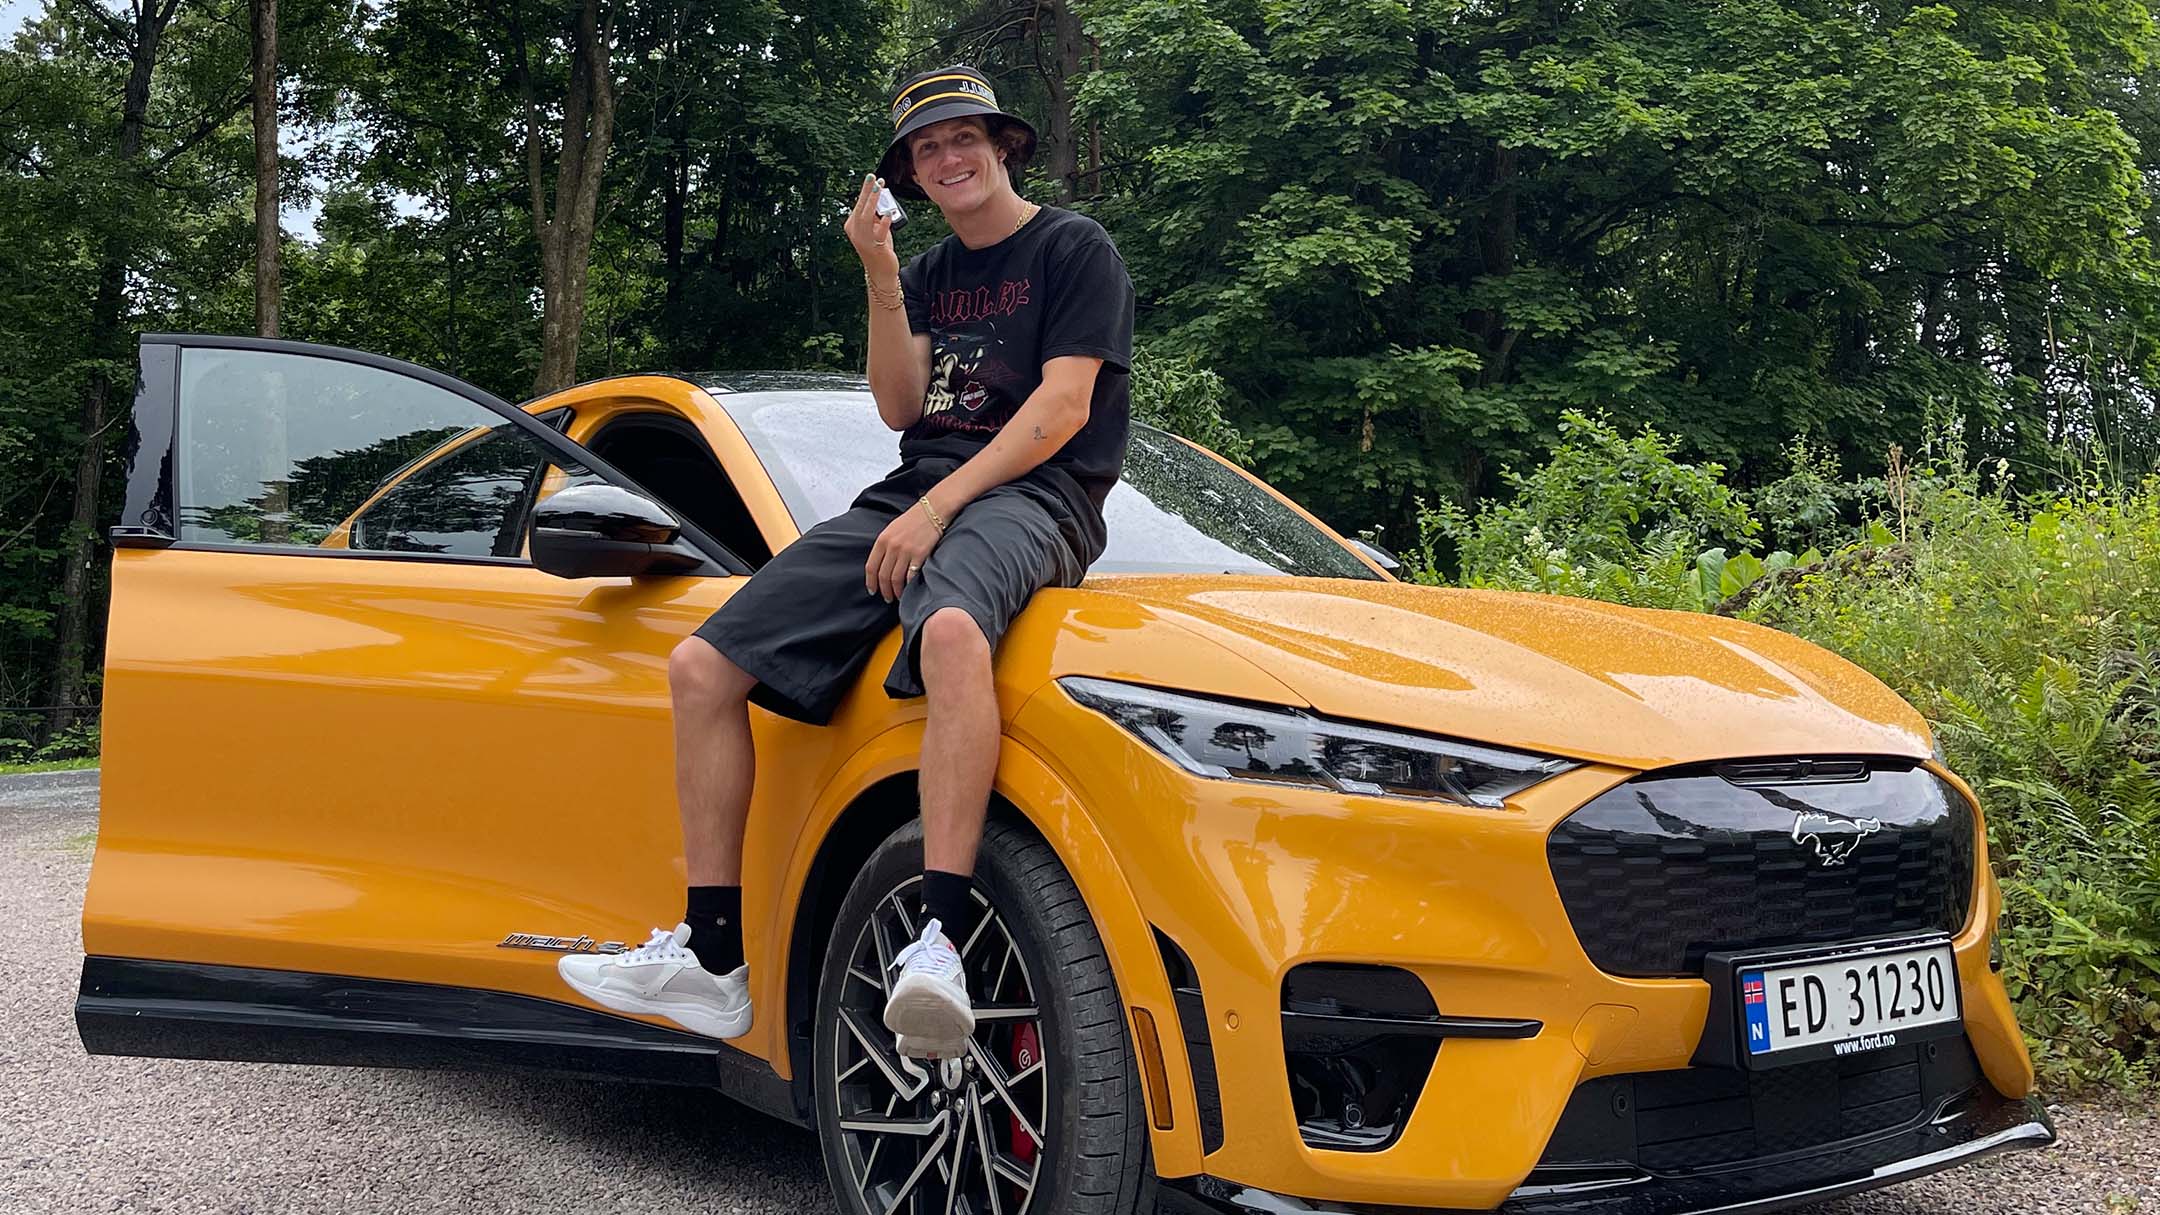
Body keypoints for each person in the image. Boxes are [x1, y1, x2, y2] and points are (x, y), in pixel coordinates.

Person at [557, 64, 1136, 1060]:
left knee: (952, 629)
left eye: (963, 139)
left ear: (1003, 146)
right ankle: (712, 955)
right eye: (925, 149)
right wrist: (877, 271)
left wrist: (942, 508)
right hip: (917, 492)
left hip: (1038, 497)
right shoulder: (931, 274)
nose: (947, 159)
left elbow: (1062, 413)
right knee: (701, 666)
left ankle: (940, 943)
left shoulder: (1072, 249)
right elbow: (903, 410)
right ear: (910, 175)